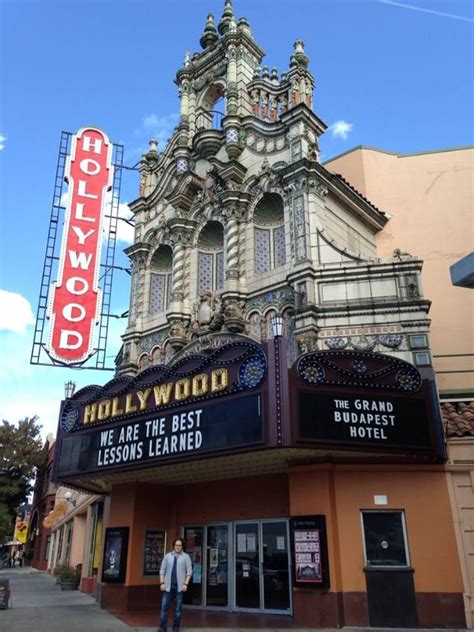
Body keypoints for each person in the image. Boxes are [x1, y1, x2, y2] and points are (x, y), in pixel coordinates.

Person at [158, 538, 192, 632]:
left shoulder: (186, 557)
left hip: (180, 588)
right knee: (164, 607)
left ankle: (176, 628)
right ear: (174, 546)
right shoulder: (168, 556)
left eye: (180, 545)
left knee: (177, 609)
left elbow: (189, 572)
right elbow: (162, 570)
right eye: (176, 545)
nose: (178, 547)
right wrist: (161, 583)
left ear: (182, 546)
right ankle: (162, 628)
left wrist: (186, 584)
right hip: (167, 587)